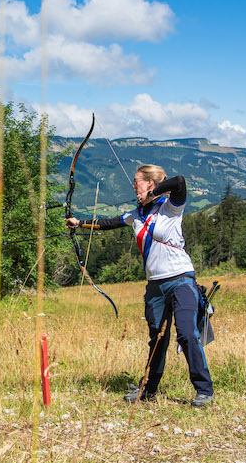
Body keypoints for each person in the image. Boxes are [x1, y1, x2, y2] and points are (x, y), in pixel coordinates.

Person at [65, 164, 214, 408]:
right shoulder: (134, 215)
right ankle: (148, 390)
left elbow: (179, 182)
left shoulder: (171, 208)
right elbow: (107, 222)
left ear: (150, 184)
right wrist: (79, 222)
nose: (133, 186)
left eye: (137, 182)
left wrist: (154, 195)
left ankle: (204, 390)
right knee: (157, 339)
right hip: (155, 286)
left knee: (187, 333)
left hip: (181, 280)